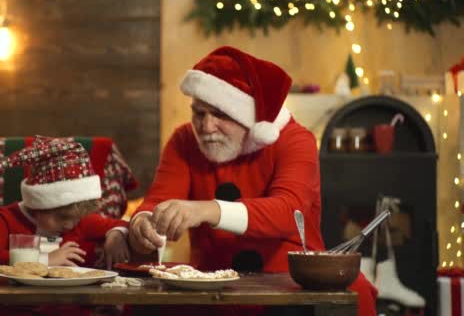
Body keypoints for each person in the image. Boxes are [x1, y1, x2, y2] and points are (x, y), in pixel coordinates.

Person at [128, 46, 377, 316]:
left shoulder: (295, 140)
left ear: (250, 116)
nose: (206, 126)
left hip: (290, 283)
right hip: (211, 284)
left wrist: (207, 209)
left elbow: (288, 211)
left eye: (221, 114)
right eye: (199, 113)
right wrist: (142, 224)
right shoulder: (184, 140)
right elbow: (157, 200)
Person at [0, 136, 130, 269]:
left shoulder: (79, 221)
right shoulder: (5, 218)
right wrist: (45, 260)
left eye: (76, 218)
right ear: (39, 205)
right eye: (62, 218)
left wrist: (116, 234)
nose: (70, 225)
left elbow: (123, 225)